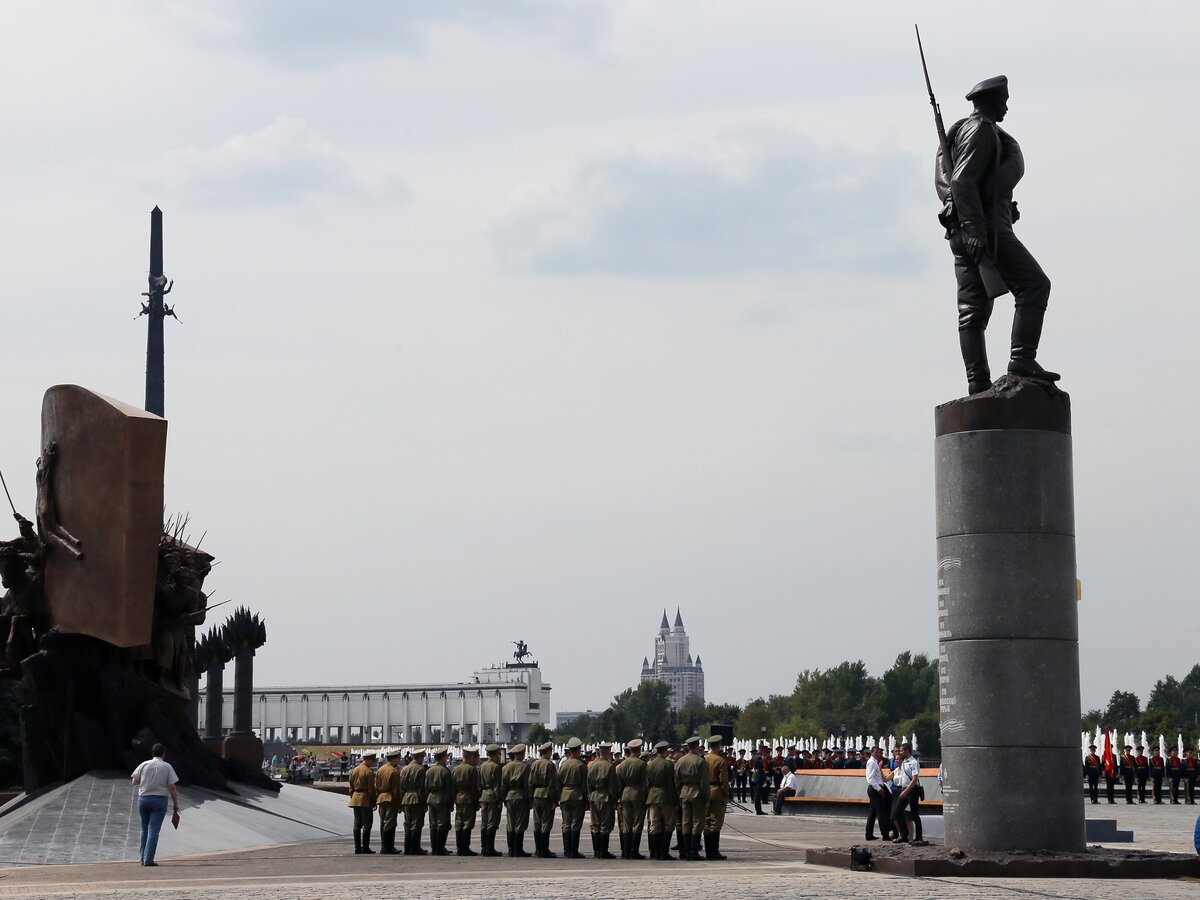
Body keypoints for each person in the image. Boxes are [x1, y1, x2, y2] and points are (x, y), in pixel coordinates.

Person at [935, 74, 1057, 395]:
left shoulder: (960, 132)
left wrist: (1001, 205)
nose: (1007, 105)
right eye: (1003, 99)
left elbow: (959, 185)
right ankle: (1021, 359)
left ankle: (978, 384)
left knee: (971, 311)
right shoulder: (983, 130)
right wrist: (978, 230)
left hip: (963, 229)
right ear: (992, 101)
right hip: (986, 231)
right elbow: (963, 182)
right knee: (1034, 285)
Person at [130, 744, 180, 867]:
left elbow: (134, 781)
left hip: (144, 799)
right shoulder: (167, 766)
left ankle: (142, 858)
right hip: (159, 800)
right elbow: (172, 787)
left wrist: (147, 780)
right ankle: (148, 859)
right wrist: (175, 804)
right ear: (163, 754)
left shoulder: (144, 764)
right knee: (154, 830)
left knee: (144, 828)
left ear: (152, 753)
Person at [674, 736, 709, 861]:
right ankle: (694, 852)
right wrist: (707, 799)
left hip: (684, 793)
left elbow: (676, 781)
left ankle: (685, 851)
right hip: (697, 793)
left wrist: (679, 794)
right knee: (697, 823)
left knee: (685, 822)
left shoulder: (680, 761)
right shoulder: (700, 761)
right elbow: (704, 782)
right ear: (697, 746)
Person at [645, 740, 677, 861]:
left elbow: (647, 783)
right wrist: (675, 800)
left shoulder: (650, 764)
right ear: (665, 751)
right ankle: (664, 852)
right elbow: (671, 783)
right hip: (665, 796)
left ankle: (655, 851)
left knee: (654, 824)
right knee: (668, 824)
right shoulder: (668, 764)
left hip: (653, 796)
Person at [616, 738, 648, 859]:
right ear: (639, 750)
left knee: (626, 824)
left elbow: (619, 784)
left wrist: (619, 797)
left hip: (625, 794)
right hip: (637, 794)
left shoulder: (622, 765)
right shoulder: (641, 764)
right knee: (637, 824)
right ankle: (634, 851)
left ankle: (626, 851)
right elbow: (645, 783)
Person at [587, 741, 620, 859]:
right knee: (605, 825)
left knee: (595, 825)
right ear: (608, 752)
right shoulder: (609, 766)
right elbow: (612, 785)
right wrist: (613, 799)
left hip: (594, 796)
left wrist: (590, 796)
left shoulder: (591, 765)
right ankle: (603, 851)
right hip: (605, 797)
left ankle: (597, 851)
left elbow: (588, 784)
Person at [557, 737, 588, 858]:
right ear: (578, 751)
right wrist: (586, 799)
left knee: (566, 823)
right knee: (575, 823)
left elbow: (558, 781)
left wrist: (560, 795)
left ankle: (567, 850)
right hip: (577, 795)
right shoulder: (581, 765)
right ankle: (573, 850)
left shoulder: (563, 765)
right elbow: (584, 784)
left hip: (565, 794)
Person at [529, 740, 560, 858]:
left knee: (537, 822)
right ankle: (544, 850)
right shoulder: (549, 765)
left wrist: (531, 796)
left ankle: (538, 849)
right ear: (548, 752)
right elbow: (552, 784)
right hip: (546, 795)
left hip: (536, 794)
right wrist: (554, 801)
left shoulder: (534, 764)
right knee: (546, 823)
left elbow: (530, 782)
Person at [501, 743, 532, 857]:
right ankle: (518, 849)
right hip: (521, 796)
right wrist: (530, 799)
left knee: (510, 823)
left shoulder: (505, 767)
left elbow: (503, 785)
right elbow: (527, 785)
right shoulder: (525, 767)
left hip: (509, 796)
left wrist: (504, 797)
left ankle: (511, 849)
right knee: (520, 823)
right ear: (521, 754)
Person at [887, 742, 920, 844]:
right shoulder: (905, 762)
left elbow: (914, 779)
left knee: (914, 814)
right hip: (904, 790)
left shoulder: (913, 762)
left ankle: (919, 837)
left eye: (901, 750)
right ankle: (903, 835)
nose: (899, 752)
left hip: (912, 790)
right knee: (896, 813)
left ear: (906, 751)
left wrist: (905, 791)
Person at [452, 746, 482, 856]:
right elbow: (475, 788)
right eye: (477, 757)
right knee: (467, 824)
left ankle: (459, 847)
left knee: (459, 824)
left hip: (459, 798)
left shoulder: (456, 769)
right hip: (468, 799)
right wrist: (477, 801)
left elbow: (453, 787)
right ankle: (465, 848)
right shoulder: (472, 770)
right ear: (471, 757)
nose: (478, 759)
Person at [703, 733, 729, 860]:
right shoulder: (720, 761)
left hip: (705, 791)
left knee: (707, 822)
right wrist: (726, 794)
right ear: (718, 746)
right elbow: (723, 780)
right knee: (716, 822)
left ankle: (708, 850)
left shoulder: (704, 759)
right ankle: (713, 851)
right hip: (717, 792)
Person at [398, 748, 428, 855]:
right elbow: (421, 788)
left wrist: (401, 800)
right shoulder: (420, 770)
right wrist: (424, 802)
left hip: (406, 797)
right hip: (416, 798)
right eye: (422, 757)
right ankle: (415, 848)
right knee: (417, 824)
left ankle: (407, 848)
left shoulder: (404, 769)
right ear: (419, 757)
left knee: (407, 823)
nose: (423, 759)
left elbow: (401, 787)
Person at [348, 751, 377, 855]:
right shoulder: (368, 772)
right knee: (367, 824)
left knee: (357, 825)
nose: (373, 763)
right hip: (365, 799)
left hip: (355, 798)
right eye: (373, 761)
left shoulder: (354, 770)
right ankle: (365, 847)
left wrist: (353, 796)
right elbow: (371, 789)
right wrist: (373, 801)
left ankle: (357, 847)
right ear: (369, 760)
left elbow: (350, 787)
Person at [478, 744, 505, 856]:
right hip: (492, 796)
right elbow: (497, 786)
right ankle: (490, 848)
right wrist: (499, 799)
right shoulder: (496, 767)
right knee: (492, 823)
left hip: (484, 796)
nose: (499, 756)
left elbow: (479, 783)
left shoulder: (482, 766)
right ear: (495, 754)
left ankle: (484, 847)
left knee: (484, 823)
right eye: (499, 754)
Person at [375, 749, 403, 854]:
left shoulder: (380, 770)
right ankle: (388, 847)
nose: (399, 761)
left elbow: (376, 786)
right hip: (390, 798)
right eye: (398, 759)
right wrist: (399, 804)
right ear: (394, 759)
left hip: (381, 798)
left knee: (383, 823)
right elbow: (396, 789)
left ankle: (384, 845)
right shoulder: (394, 771)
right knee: (390, 824)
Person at [864, 746, 892, 841]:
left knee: (873, 812)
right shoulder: (872, 763)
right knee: (881, 812)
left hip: (875, 788)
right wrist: (879, 789)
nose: (878, 754)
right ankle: (885, 834)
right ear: (872, 753)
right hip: (875, 788)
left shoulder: (875, 763)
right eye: (876, 752)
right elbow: (870, 778)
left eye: (879, 753)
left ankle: (869, 834)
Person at [751, 744, 771, 815]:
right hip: (759, 778)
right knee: (757, 795)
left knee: (757, 794)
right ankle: (759, 810)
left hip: (755, 777)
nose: (764, 751)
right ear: (760, 749)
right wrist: (764, 779)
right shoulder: (759, 757)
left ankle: (758, 810)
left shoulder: (755, 756)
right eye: (764, 749)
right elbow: (760, 769)